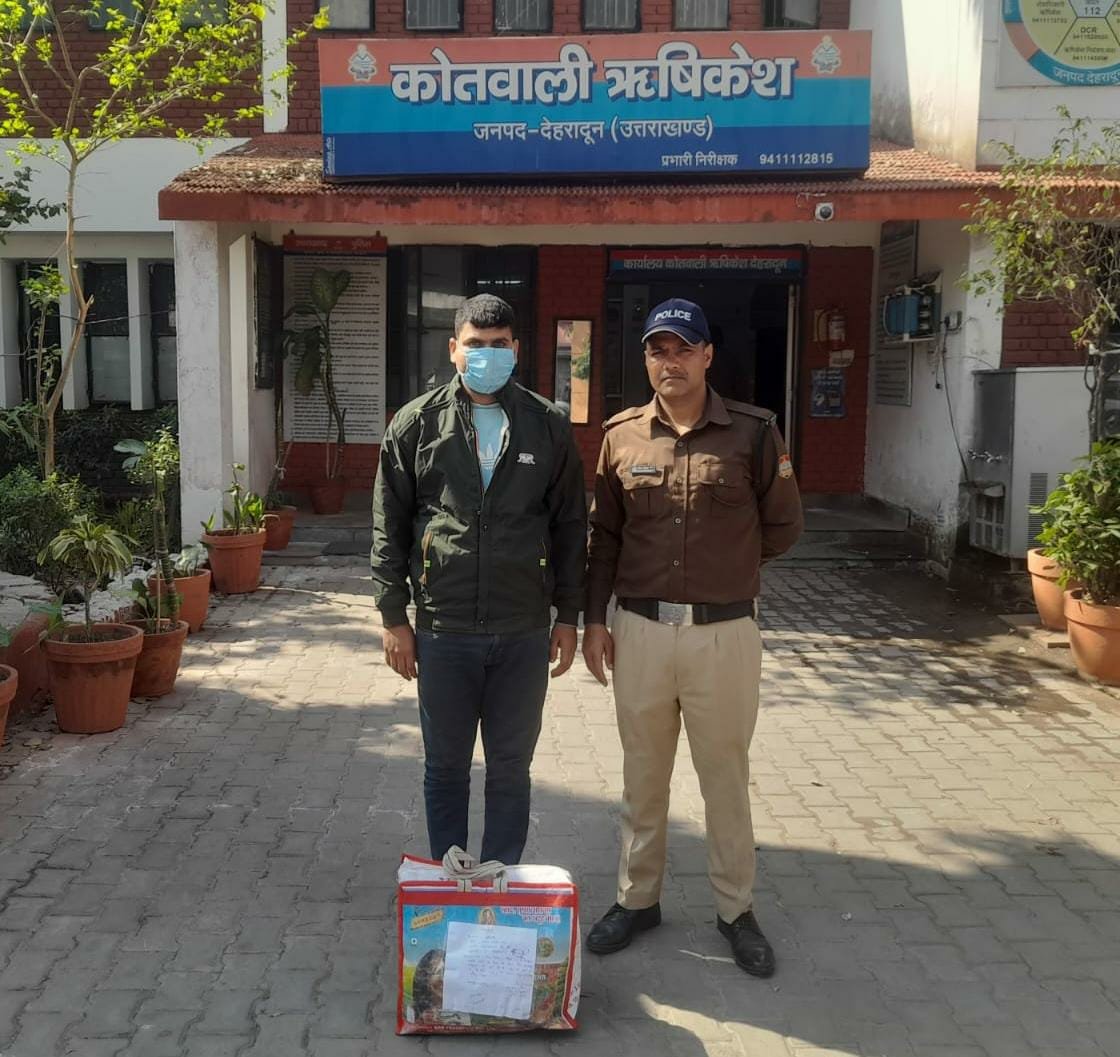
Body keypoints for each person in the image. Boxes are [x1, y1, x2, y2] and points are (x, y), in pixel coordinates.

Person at [582, 297, 803, 978]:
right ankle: (637, 898)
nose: (670, 361)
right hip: (641, 633)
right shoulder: (621, 436)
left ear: (708, 355)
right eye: (658, 350)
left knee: (725, 779)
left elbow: (784, 525)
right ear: (646, 359)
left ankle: (736, 910)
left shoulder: (754, 433)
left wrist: (727, 568)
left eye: (683, 349)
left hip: (723, 635)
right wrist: (594, 620)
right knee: (641, 777)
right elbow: (604, 536)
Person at [372, 293, 587, 866]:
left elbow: (570, 525)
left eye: (498, 345)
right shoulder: (416, 424)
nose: (486, 354)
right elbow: (389, 524)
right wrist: (394, 617)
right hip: (443, 629)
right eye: (475, 345)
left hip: (522, 629)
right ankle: (450, 876)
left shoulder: (547, 424)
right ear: (453, 349)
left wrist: (568, 616)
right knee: (445, 766)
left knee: (511, 767)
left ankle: (501, 874)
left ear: (516, 350)